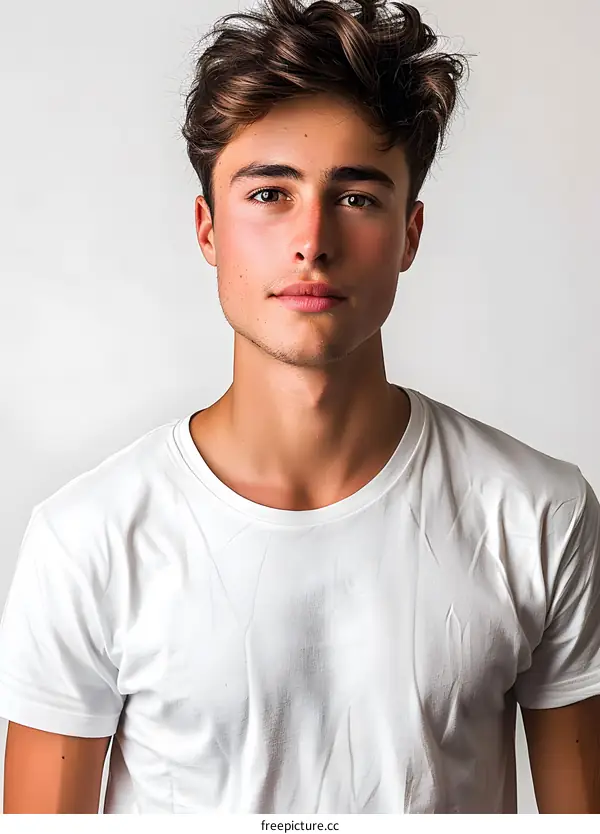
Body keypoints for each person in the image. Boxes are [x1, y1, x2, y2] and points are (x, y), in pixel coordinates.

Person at [1, 0, 599, 815]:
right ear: (208, 229)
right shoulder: (89, 539)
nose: (311, 239)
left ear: (410, 234)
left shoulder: (538, 513)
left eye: (356, 197)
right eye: (270, 194)